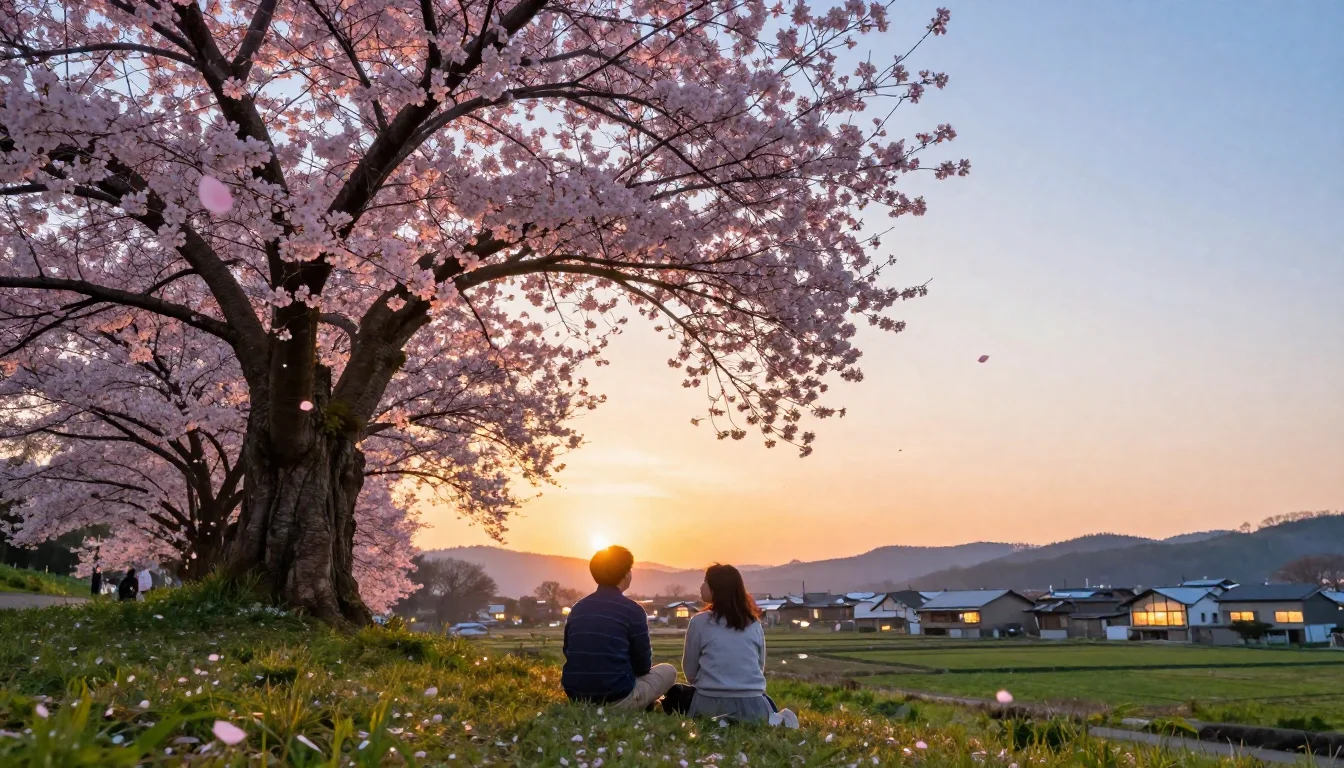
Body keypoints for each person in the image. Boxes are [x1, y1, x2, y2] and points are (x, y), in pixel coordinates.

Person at [562, 545, 676, 709]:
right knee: (669, 671)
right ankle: (641, 703)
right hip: (617, 698)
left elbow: (568, 651)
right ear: (626, 573)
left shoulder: (578, 608)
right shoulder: (633, 610)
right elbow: (643, 666)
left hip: (577, 698)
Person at [681, 564, 782, 723]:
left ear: (716, 588)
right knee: (769, 702)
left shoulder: (699, 622)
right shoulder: (753, 623)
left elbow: (690, 673)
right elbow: (759, 667)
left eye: (706, 581)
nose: (701, 586)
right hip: (755, 708)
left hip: (709, 705)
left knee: (676, 693)